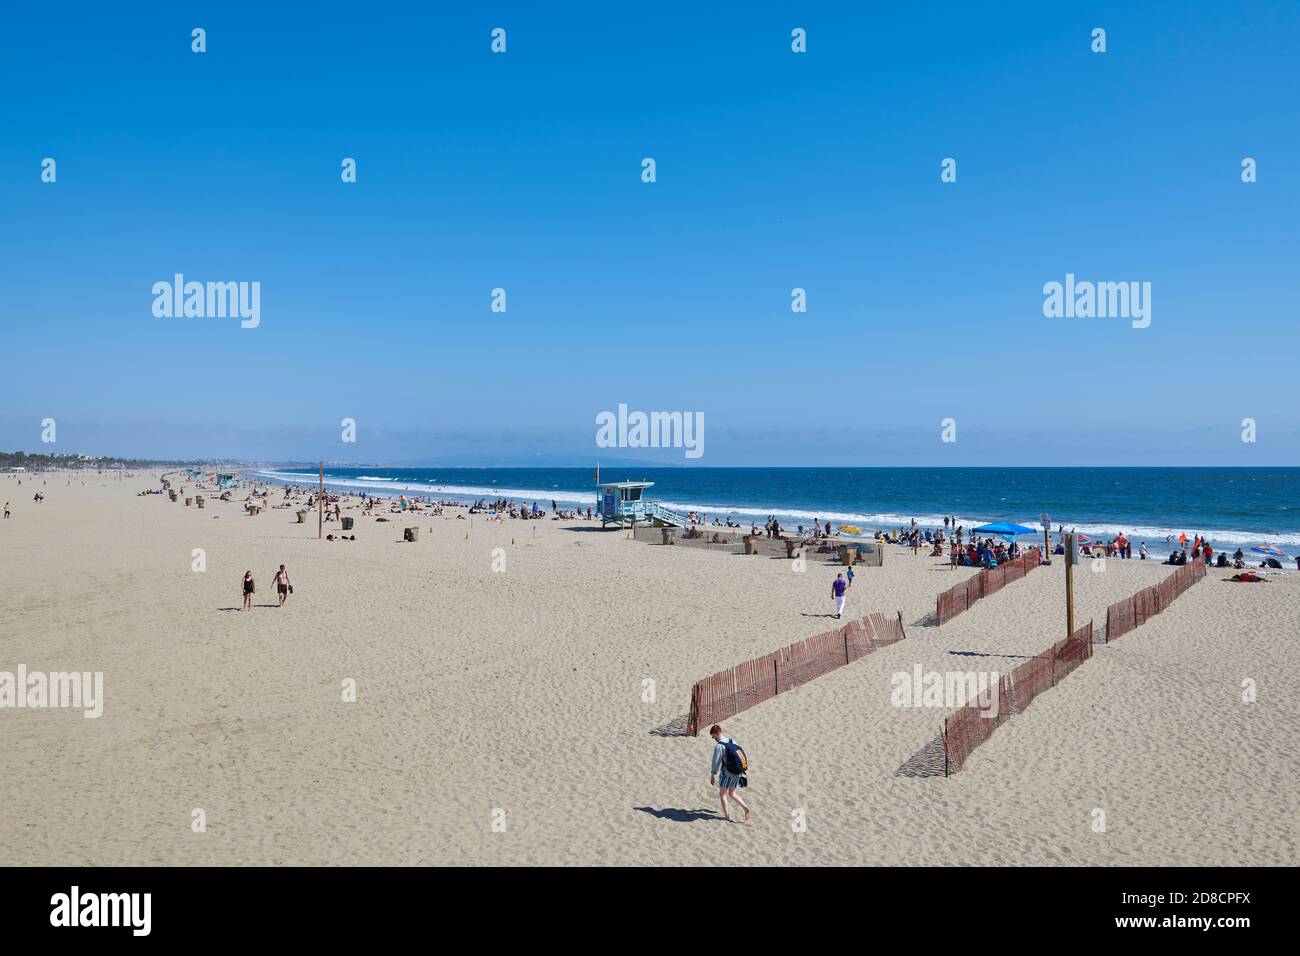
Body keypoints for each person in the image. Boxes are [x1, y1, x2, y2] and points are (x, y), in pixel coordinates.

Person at [708, 725, 751, 824]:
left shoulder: (719, 746)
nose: (713, 738)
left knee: (722, 794)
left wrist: (712, 774)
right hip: (737, 772)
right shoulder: (732, 741)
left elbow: (716, 761)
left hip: (726, 774)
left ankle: (727, 817)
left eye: (712, 736)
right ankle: (745, 807)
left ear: (715, 734)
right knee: (732, 793)